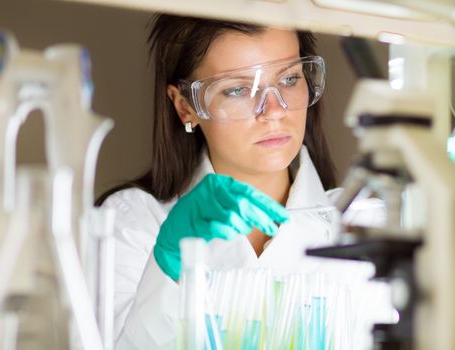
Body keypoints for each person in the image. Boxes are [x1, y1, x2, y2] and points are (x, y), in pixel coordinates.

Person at [97, 14, 392, 349]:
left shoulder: (363, 225)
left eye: (289, 79)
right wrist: (167, 268)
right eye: (237, 89)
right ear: (185, 107)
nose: (273, 110)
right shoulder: (132, 222)